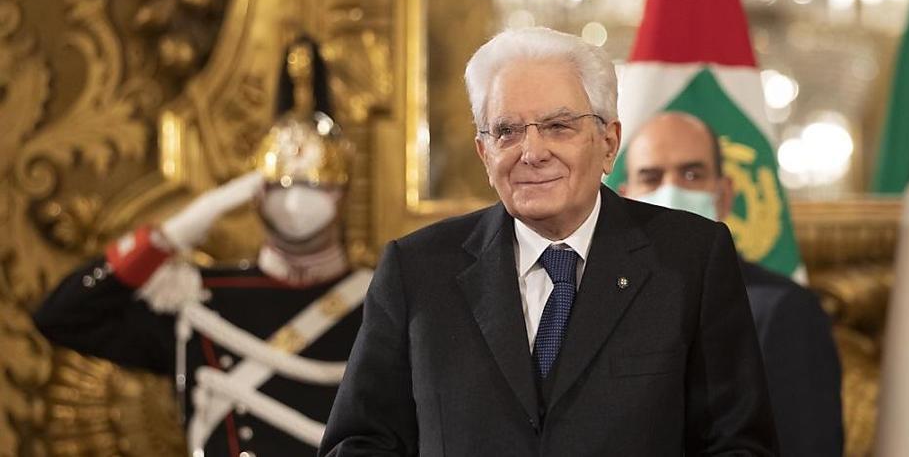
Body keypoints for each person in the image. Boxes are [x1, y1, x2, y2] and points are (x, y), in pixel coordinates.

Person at [319, 27, 778, 456]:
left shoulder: (691, 259)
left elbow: (737, 445)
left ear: (608, 143)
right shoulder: (416, 270)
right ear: (485, 153)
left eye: (559, 126)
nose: (532, 153)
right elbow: (359, 442)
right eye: (507, 131)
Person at [34, 37, 372, 457]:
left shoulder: (382, 297)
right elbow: (61, 316)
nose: (297, 200)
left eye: (316, 184)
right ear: (254, 193)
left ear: (343, 193)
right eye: (282, 185)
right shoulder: (198, 297)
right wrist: (170, 235)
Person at [620, 111, 844, 457]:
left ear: (724, 195)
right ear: (624, 197)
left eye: (692, 174)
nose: (671, 191)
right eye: (651, 177)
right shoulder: (602, 301)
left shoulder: (783, 311)